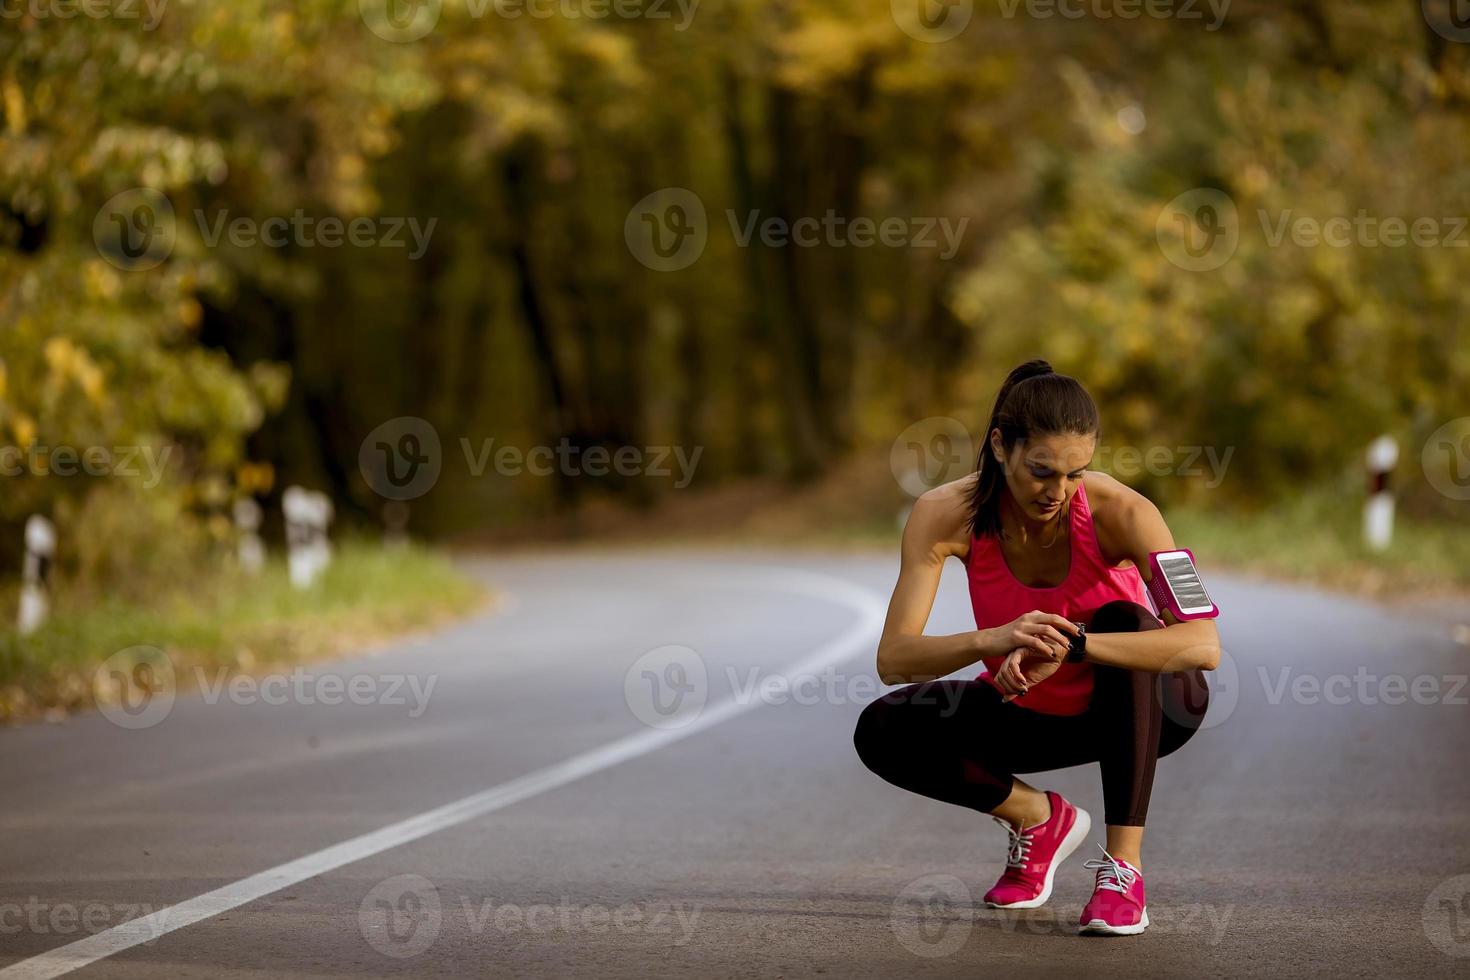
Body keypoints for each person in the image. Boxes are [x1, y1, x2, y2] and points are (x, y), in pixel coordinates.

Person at [853, 359, 1219, 936]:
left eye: (1077, 473)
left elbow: (1203, 647)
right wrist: (992, 640)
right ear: (1001, 446)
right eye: (1042, 472)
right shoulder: (942, 515)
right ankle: (1038, 820)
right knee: (883, 731)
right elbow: (893, 659)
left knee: (1126, 617)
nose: (1059, 491)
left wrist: (1078, 646)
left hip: (1150, 708)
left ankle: (1123, 869)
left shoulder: (1128, 512)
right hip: (1033, 711)